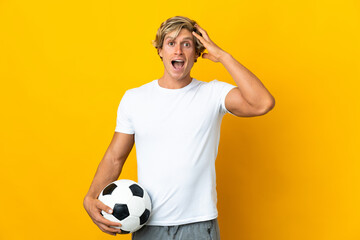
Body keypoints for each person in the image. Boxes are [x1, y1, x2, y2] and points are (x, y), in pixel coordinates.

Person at [83, 16, 275, 239]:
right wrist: (91, 196)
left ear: (196, 54)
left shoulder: (213, 93)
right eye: (171, 43)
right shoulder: (134, 98)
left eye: (186, 44)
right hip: (148, 226)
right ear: (160, 51)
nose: (178, 51)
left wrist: (223, 56)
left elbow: (263, 103)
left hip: (199, 226)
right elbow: (115, 157)